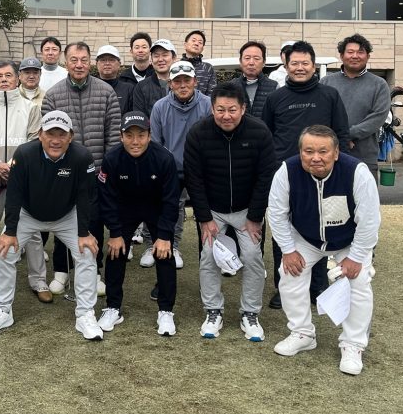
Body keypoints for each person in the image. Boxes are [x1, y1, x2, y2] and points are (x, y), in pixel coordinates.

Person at [0, 111, 103, 340]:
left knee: (87, 252)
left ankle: (85, 314)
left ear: (70, 137)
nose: (55, 140)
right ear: (40, 135)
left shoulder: (82, 156)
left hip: (66, 215)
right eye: (50, 134)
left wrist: (84, 232)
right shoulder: (25, 153)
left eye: (61, 134)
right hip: (29, 213)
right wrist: (10, 231)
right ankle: (2, 310)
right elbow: (14, 193)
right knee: (5, 251)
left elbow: (86, 196)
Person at [268, 125, 380, 375]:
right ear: (300, 152)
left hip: (348, 240)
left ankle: (353, 345)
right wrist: (288, 250)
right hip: (306, 238)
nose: (315, 158)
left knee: (359, 280)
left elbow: (370, 220)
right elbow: (276, 213)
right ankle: (303, 333)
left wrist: (356, 257)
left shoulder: (357, 172)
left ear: (336, 153)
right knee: (289, 273)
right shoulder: (287, 170)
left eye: (323, 151)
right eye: (308, 151)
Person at [184, 84, 277, 342]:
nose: (226, 115)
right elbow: (194, 179)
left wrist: (255, 216)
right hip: (213, 210)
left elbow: (266, 176)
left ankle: (250, 313)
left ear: (243, 109)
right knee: (208, 256)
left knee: (252, 256)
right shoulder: (198, 133)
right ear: (212, 109)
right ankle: (213, 310)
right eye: (220, 110)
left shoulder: (259, 132)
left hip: (247, 210)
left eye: (232, 110)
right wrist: (204, 218)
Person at [262, 40, 351, 309]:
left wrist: (338, 170)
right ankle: (283, 286)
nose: (299, 68)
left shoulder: (329, 95)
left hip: (322, 173)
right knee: (283, 228)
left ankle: (317, 286)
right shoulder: (276, 98)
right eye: (294, 63)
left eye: (305, 63)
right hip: (286, 175)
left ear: (313, 66)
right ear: (286, 65)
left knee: (320, 226)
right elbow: (267, 135)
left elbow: (341, 134)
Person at [42, 42, 121, 295]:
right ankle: (62, 270)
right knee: (62, 220)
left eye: (84, 60)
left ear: (90, 62)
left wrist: (105, 170)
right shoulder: (53, 94)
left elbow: (113, 136)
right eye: (74, 60)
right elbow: (47, 139)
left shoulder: (106, 92)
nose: (79, 65)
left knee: (93, 222)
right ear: (66, 62)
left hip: (96, 172)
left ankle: (93, 271)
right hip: (63, 172)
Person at [0, 61, 47, 302]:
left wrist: (13, 165)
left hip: (21, 179)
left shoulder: (31, 108)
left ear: (17, 79)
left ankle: (39, 280)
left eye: (8, 75)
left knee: (32, 233)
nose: (4, 79)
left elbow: (35, 140)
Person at [97, 112, 180, 336]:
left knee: (165, 253)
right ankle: (113, 307)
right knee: (115, 252)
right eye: (129, 135)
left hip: (156, 208)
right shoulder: (112, 158)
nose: (135, 141)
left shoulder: (164, 158)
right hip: (125, 208)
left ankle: (166, 310)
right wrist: (115, 232)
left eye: (141, 135)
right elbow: (107, 198)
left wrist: (164, 236)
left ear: (149, 136)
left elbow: (171, 200)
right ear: (121, 136)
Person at [148, 60, 212, 275]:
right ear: (170, 84)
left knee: (206, 211)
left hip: (201, 169)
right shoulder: (160, 107)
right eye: (177, 81)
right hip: (171, 168)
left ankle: (210, 252)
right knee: (170, 209)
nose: (183, 85)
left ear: (195, 81)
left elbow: (212, 139)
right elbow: (156, 143)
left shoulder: (208, 104)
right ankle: (172, 247)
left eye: (187, 80)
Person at [321, 34, 390, 178]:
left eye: (360, 52)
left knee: (364, 193)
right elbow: (320, 114)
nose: (355, 56)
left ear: (367, 56)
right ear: (342, 55)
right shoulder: (326, 82)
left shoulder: (379, 84)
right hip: (328, 155)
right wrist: (339, 138)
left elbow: (378, 117)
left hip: (365, 156)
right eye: (350, 52)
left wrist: (348, 135)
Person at [227, 40, 277, 119]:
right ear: (240, 61)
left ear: (264, 62)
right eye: (247, 58)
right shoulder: (230, 87)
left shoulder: (274, 87)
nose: (251, 62)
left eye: (256, 58)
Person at [130, 38, 176, 117]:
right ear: (151, 59)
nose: (160, 59)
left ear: (174, 58)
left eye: (165, 55)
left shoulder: (183, 84)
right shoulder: (141, 87)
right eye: (156, 56)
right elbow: (140, 118)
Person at [95, 44, 133, 115]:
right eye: (103, 60)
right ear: (97, 64)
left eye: (111, 60)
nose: (107, 63)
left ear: (119, 64)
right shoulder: (89, 88)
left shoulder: (128, 89)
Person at [180, 29, 216, 96]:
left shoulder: (208, 68)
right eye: (193, 40)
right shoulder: (176, 66)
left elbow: (212, 93)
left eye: (200, 42)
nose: (196, 44)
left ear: (202, 48)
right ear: (185, 45)